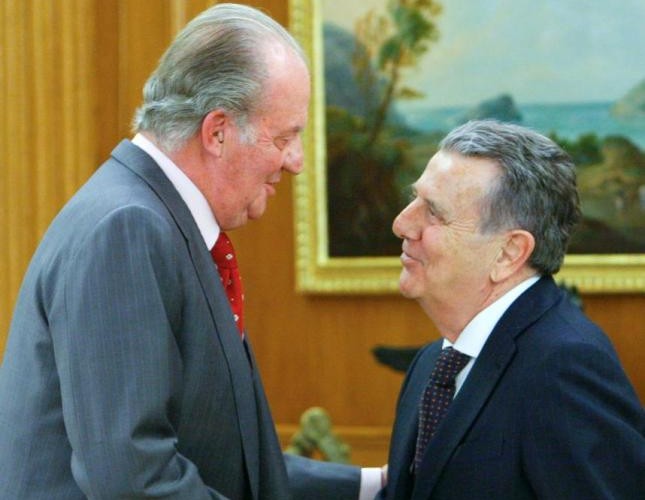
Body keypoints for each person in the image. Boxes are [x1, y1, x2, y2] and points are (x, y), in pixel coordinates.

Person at [0, 4, 380, 498]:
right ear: (217, 131)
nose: (296, 162)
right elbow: (135, 479)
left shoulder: (159, 220)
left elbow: (227, 458)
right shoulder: (127, 229)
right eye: (285, 137)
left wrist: (374, 486)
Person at [378, 120, 645, 499]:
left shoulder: (564, 367)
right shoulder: (433, 362)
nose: (401, 223)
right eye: (413, 198)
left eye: (433, 212)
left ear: (508, 253)